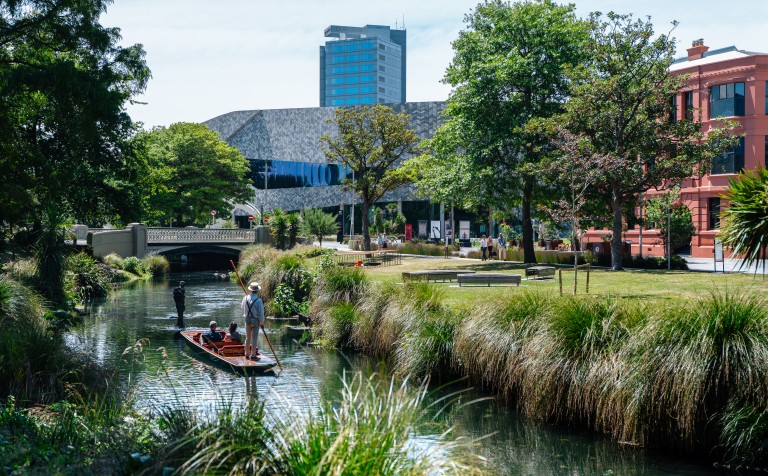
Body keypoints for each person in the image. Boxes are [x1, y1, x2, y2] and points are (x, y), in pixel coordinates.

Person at [241, 281, 265, 360]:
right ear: (257, 290)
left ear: (250, 290)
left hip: (247, 319)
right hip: (255, 320)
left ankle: (247, 354)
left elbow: (242, 308)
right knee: (254, 338)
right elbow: (261, 313)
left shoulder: (245, 298)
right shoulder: (259, 300)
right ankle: (253, 355)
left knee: (248, 338)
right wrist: (262, 323)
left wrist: (246, 313)